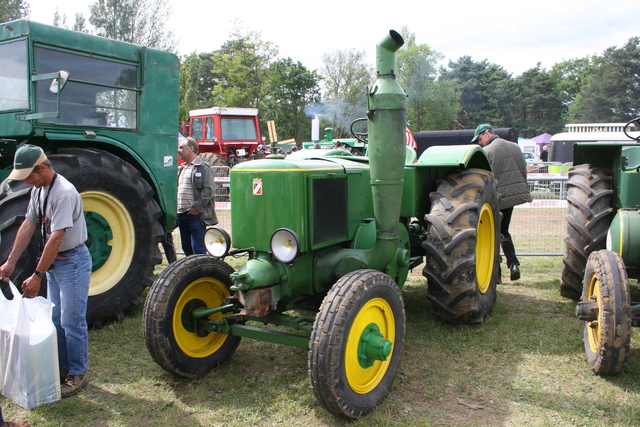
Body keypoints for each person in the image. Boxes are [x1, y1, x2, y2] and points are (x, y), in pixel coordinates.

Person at [0, 144, 91, 398]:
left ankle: (78, 371)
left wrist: (37, 276)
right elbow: (28, 225)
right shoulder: (39, 191)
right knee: (56, 320)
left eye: (29, 176)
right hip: (55, 262)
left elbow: (56, 238)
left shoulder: (63, 193)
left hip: (72, 261)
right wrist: (10, 262)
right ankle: (62, 367)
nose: (27, 182)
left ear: (41, 168)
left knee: (71, 321)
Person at [472, 124, 532, 281]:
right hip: (511, 197)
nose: (480, 143)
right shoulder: (515, 147)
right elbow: (523, 170)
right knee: (503, 231)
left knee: (492, 235)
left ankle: (495, 275)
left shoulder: (486, 152)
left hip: (496, 198)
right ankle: (513, 264)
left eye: (480, 139)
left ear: (487, 133)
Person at [177, 137, 217, 255]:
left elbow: (209, 190)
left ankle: (200, 272)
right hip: (181, 214)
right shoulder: (182, 168)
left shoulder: (203, 167)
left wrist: (197, 208)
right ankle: (191, 272)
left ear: (191, 148)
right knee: (186, 247)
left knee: (198, 249)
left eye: (181, 147)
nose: (178, 150)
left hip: (195, 215)